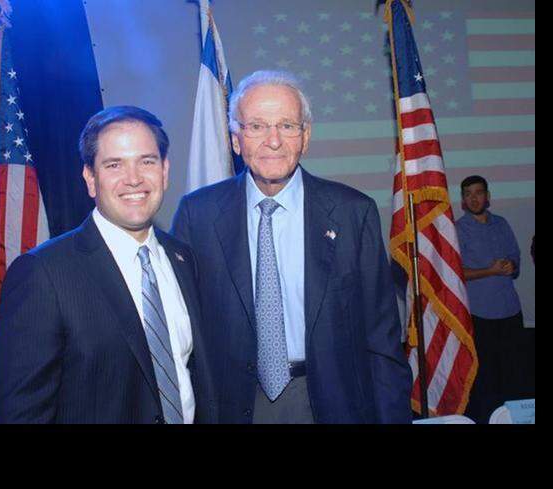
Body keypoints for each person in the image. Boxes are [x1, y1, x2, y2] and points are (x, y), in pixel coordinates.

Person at [171, 70, 411, 424]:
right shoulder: (198, 215)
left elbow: (381, 337)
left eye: (287, 125)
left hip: (332, 402)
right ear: (236, 140)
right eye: (256, 126)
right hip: (233, 404)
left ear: (306, 136)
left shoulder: (352, 213)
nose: (273, 141)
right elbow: (183, 333)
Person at [0, 106, 216, 423]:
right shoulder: (43, 273)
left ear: (165, 171)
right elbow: (22, 415)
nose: (134, 178)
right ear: (90, 178)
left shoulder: (183, 258)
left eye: (147, 161)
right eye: (115, 165)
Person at [455, 175, 526, 423]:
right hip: (479, 314)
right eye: (468, 194)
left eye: (478, 192)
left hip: (510, 310)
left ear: (488, 196)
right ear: (463, 200)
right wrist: (490, 270)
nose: (474, 198)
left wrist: (511, 265)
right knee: (485, 378)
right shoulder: (456, 229)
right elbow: (456, 272)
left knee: (513, 373)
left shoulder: (502, 224)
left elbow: (516, 259)